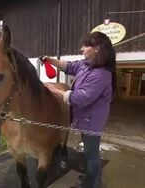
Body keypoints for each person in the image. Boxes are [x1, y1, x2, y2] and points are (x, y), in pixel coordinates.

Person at [42, 32, 116, 188]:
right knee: (90, 152)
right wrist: (50, 60)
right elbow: (67, 66)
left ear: (97, 49)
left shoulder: (101, 74)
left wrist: (56, 91)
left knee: (91, 153)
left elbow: (80, 99)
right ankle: (91, 178)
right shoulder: (86, 64)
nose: (82, 48)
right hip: (84, 119)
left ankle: (92, 183)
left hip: (91, 122)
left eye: (86, 45)